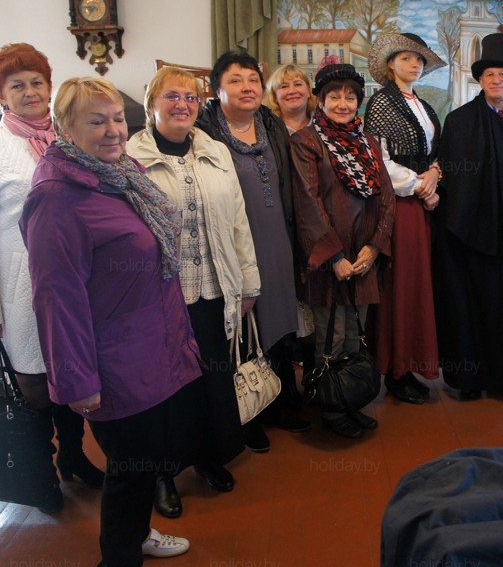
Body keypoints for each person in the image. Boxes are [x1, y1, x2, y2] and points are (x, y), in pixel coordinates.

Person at [20, 76, 199, 565]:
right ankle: (119, 557)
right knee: (129, 468)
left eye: (118, 118)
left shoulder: (120, 173)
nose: (114, 130)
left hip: (153, 346)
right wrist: (77, 380)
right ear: (65, 129)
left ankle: (136, 535)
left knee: (145, 460)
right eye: (96, 122)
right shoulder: (57, 198)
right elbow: (56, 300)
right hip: (114, 359)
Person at [0, 43, 103, 514]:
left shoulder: (69, 138)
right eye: (17, 85)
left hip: (72, 288)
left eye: (37, 82)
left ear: (49, 86)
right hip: (20, 293)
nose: (30, 92)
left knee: (71, 377)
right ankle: (41, 475)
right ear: (1, 95)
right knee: (34, 388)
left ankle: (74, 458)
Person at [126, 67, 262, 519]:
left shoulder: (215, 151)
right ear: (152, 104)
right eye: (171, 96)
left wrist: (248, 280)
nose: (182, 104)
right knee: (167, 389)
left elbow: (238, 219)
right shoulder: (130, 158)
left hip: (215, 288)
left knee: (212, 379)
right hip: (163, 296)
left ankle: (208, 456)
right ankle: (162, 473)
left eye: (190, 97)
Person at [197, 51, 311, 451]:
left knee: (279, 320)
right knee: (244, 327)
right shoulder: (204, 133)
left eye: (252, 79)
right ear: (217, 89)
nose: (247, 87)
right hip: (233, 247)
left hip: (278, 239)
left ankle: (282, 397)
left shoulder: (271, 123)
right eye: (235, 80)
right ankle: (249, 411)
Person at [289, 58, 395, 438]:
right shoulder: (306, 142)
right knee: (330, 336)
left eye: (350, 97)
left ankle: (350, 400)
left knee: (355, 333)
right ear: (320, 100)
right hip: (329, 260)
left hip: (363, 258)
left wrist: (374, 247)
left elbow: (386, 198)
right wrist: (334, 256)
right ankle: (331, 408)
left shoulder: (369, 143)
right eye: (334, 96)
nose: (343, 103)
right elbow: (308, 202)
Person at [435, 33, 503, 401]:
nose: (497, 80)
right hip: (472, 232)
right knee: (470, 304)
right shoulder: (460, 120)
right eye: (490, 74)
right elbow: (451, 176)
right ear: (480, 80)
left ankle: (500, 376)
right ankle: (469, 378)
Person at [364, 32, 445, 405]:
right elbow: (379, 161)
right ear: (391, 64)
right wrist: (420, 186)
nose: (414, 64)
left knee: (418, 285)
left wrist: (435, 175)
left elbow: (437, 152)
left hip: (422, 206)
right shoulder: (382, 103)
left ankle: (410, 364)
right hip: (399, 206)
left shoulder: (424, 106)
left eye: (419, 60)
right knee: (400, 286)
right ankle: (395, 370)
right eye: (407, 58)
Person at [264, 64, 317, 134]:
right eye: (284, 86)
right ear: (274, 96)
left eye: (297, 84)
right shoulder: (265, 129)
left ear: (309, 91)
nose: (292, 91)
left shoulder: (322, 125)